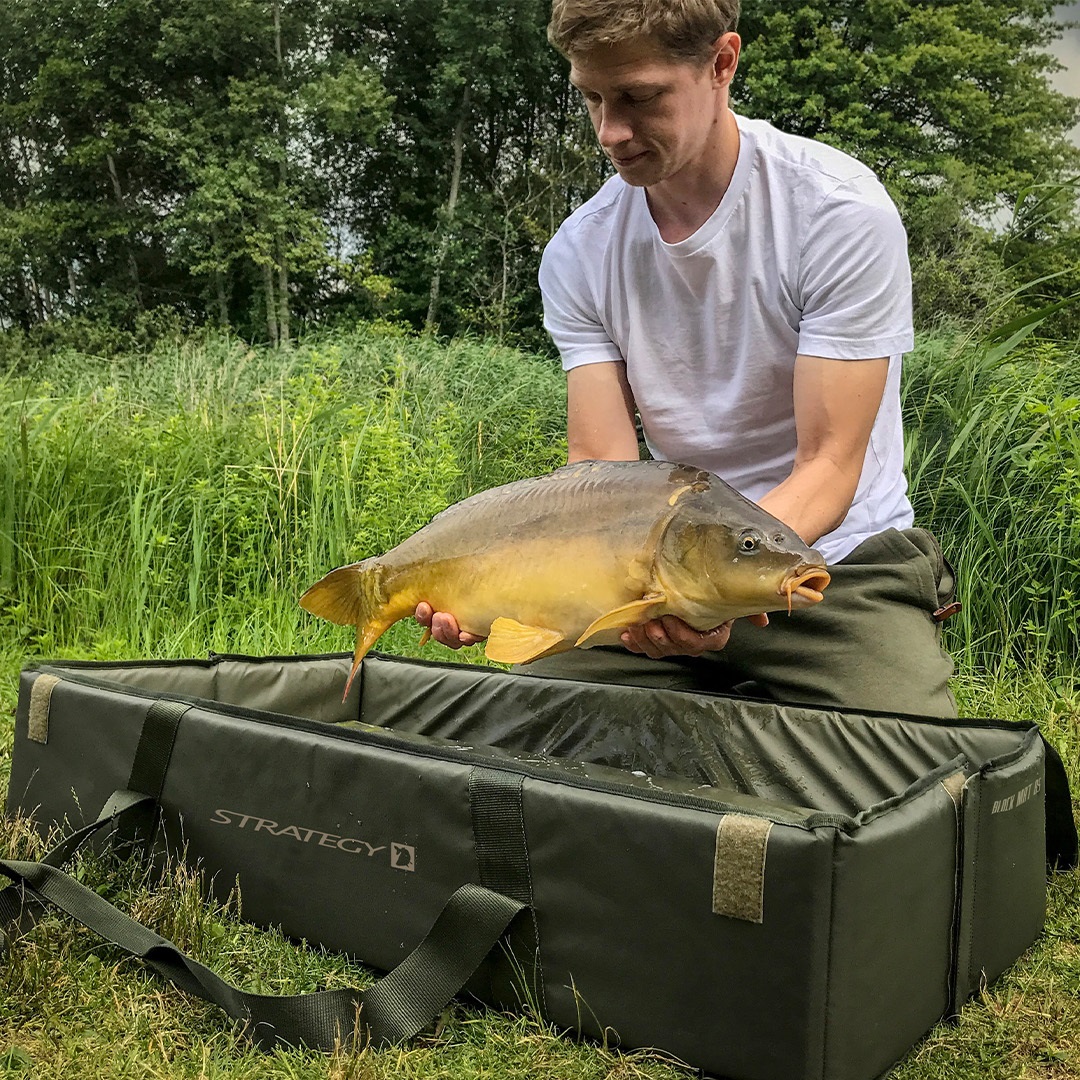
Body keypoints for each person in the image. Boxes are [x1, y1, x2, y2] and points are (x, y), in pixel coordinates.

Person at [417, 0, 958, 718]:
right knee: (511, 726)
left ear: (722, 63)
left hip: (826, 562)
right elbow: (598, 476)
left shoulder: (837, 211)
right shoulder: (581, 251)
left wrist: (715, 590)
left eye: (640, 98)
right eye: (592, 98)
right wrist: (590, 599)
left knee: (915, 771)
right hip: (640, 570)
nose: (610, 131)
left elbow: (829, 465)